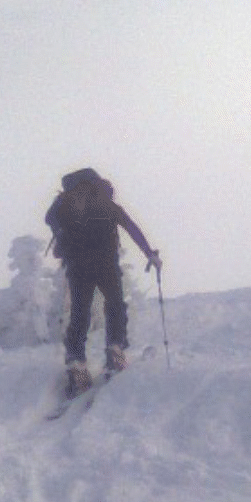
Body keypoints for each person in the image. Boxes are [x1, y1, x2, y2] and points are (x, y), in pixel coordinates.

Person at [45, 168, 161, 398]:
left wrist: (60, 234)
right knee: (116, 305)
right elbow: (131, 227)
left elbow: (48, 218)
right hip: (106, 263)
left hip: (78, 266)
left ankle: (76, 361)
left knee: (80, 312)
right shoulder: (106, 202)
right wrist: (150, 253)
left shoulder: (63, 204)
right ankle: (115, 348)